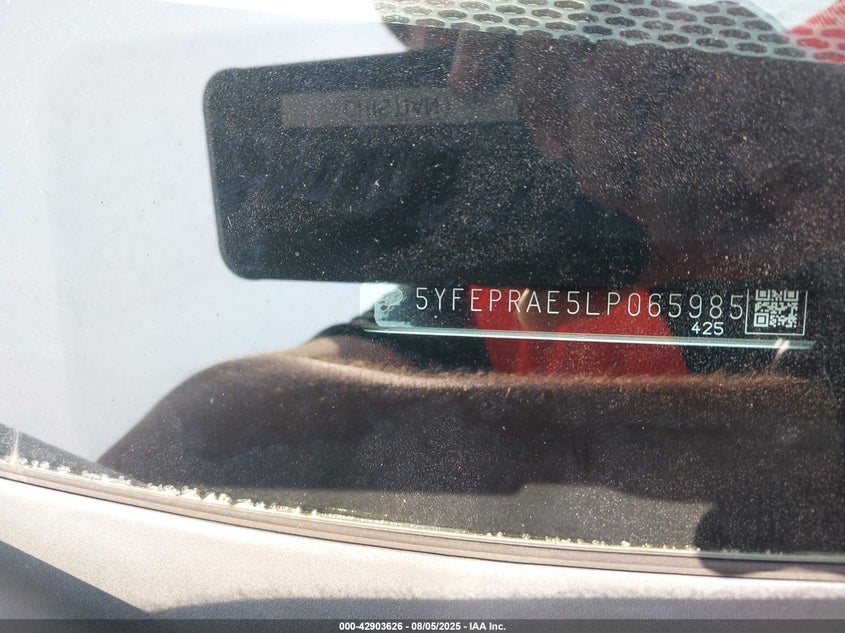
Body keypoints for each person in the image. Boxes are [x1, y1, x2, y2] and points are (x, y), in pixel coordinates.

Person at [100, 1, 845, 552]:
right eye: (411, 22)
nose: (445, 43)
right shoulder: (482, 292)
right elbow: (209, 434)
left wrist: (814, 146)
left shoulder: (812, 76)